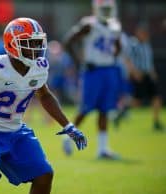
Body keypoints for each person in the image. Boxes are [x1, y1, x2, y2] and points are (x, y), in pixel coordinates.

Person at [0, 17, 87, 194]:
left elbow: (45, 96)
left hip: (15, 130)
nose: (36, 48)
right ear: (12, 44)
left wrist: (68, 125)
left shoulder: (38, 67)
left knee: (44, 174)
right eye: (29, 43)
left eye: (37, 42)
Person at [62, 0, 121, 159]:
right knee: (85, 109)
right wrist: (79, 62)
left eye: (109, 8)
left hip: (108, 70)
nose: (107, 12)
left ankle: (102, 149)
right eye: (104, 8)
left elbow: (118, 45)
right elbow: (68, 41)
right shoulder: (89, 24)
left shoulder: (115, 25)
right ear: (97, 9)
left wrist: (111, 58)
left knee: (105, 110)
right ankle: (68, 138)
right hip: (92, 72)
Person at [129, 24, 164, 130]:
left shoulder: (147, 45)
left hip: (148, 75)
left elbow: (149, 61)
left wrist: (153, 72)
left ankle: (156, 121)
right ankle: (121, 114)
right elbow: (128, 60)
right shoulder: (134, 45)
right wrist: (134, 72)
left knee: (157, 97)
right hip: (140, 75)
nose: (144, 35)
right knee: (137, 102)